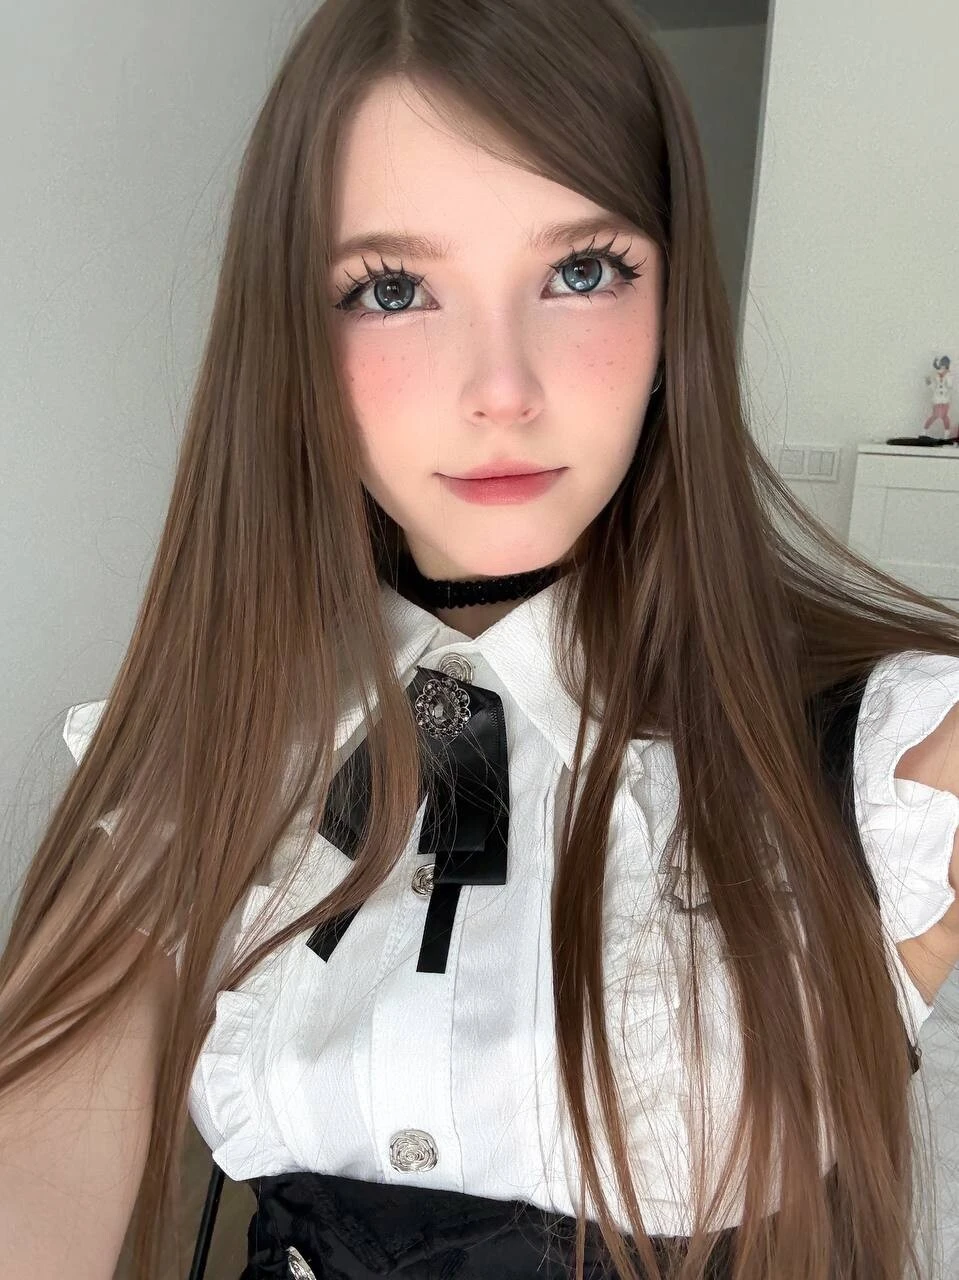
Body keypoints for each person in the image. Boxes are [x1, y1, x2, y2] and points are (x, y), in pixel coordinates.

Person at [2, 1, 958, 1278]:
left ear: (670, 305)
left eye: (581, 271)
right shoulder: (205, 759)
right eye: (392, 289)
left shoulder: (881, 759)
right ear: (293, 338)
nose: (500, 388)